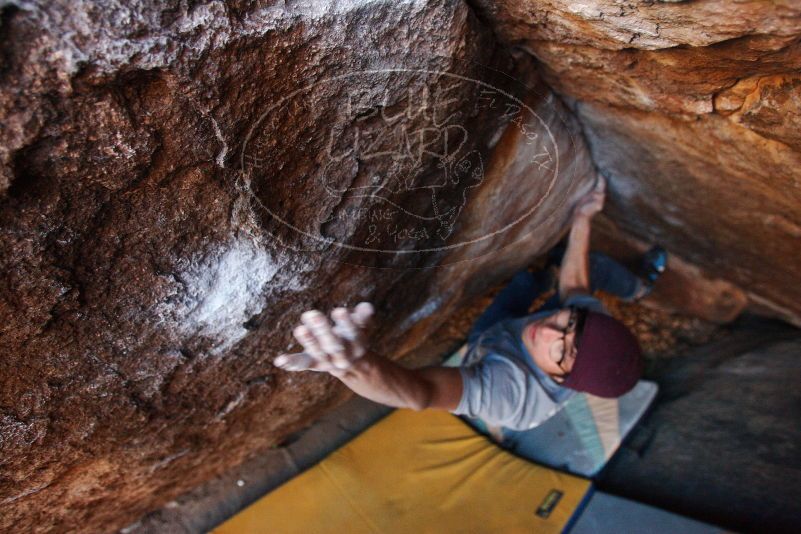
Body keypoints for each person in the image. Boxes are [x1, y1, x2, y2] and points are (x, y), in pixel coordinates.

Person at [274, 174, 665, 430]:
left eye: (560, 349)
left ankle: (638, 284)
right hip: (504, 333)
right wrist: (582, 218)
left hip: (490, 348)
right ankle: (611, 284)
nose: (547, 329)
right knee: (554, 278)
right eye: (567, 323)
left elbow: (421, 392)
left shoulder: (513, 397)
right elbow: (577, 284)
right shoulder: (587, 325)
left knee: (511, 305)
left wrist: (356, 365)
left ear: (561, 379)